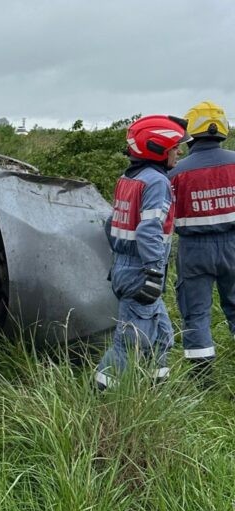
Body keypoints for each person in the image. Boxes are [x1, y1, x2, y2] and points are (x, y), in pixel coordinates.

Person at [96, 115, 190, 389]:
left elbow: (110, 224)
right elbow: (149, 230)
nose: (179, 151)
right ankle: (97, 398)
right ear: (158, 148)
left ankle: (155, 392)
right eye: (175, 147)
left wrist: (122, 258)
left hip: (126, 267)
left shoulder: (128, 178)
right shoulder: (157, 183)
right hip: (142, 271)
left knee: (162, 336)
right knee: (127, 343)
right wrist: (153, 272)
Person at [168, 101, 235, 386]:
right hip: (233, 245)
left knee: (196, 315)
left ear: (191, 132)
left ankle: (203, 382)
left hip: (194, 250)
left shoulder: (176, 173)